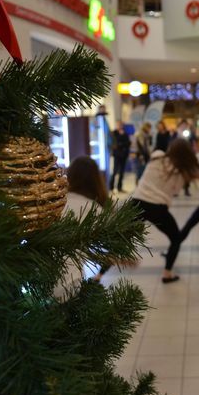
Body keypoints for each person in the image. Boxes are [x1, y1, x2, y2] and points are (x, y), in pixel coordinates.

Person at [131, 138, 199, 283]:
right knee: (175, 239)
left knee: (121, 239)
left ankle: (99, 275)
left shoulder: (157, 155)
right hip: (157, 208)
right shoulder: (180, 173)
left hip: (136, 203)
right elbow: (175, 191)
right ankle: (167, 273)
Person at [54, 156, 108, 294]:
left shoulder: (56, 202)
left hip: (38, 282)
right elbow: (104, 249)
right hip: (69, 284)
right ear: (96, 180)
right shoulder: (95, 209)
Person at [109, 121, 131, 193]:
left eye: (121, 125)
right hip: (117, 155)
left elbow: (128, 143)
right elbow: (116, 144)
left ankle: (119, 187)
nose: (119, 126)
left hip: (123, 155)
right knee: (115, 171)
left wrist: (122, 143)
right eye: (118, 125)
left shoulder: (125, 133)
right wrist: (122, 142)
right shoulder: (114, 133)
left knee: (121, 172)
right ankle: (111, 187)